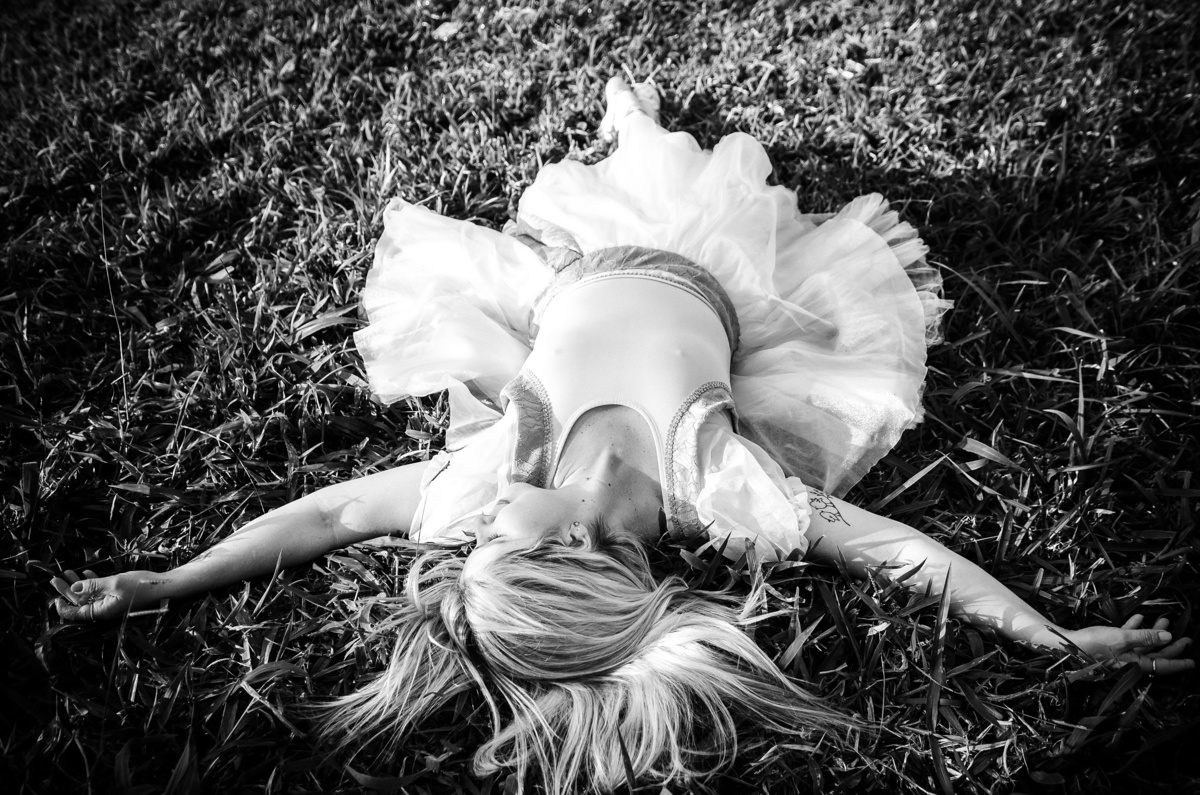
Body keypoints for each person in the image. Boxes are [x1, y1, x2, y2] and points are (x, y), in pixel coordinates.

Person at [51, 78, 1193, 793]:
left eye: (480, 542)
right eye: (492, 546)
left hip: (578, 275)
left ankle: (623, 143)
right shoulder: (717, 488)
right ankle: (653, 147)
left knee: (617, 168)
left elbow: (332, 513)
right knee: (712, 180)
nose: (468, 530)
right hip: (711, 274)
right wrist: (1049, 634)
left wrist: (171, 580)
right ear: (580, 550)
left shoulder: (489, 481)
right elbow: (897, 552)